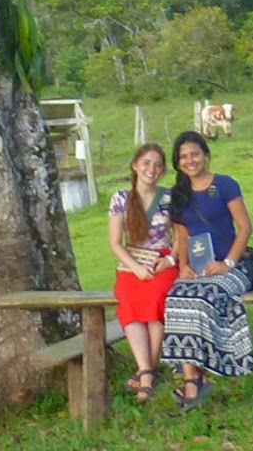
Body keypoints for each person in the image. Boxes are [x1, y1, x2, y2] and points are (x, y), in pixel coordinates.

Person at [159, 129, 253, 410]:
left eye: (195, 154)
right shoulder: (178, 195)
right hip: (198, 269)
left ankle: (208, 370)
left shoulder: (225, 185)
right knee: (176, 297)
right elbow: (182, 237)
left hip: (231, 267)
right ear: (178, 162)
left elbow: (245, 228)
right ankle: (193, 378)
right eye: (184, 157)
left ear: (206, 155)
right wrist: (183, 267)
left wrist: (228, 264)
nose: (190, 160)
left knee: (203, 298)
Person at [108, 141, 180, 403]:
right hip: (133, 262)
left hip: (162, 261)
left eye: (158, 165)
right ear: (135, 165)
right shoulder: (121, 199)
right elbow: (116, 243)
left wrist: (170, 260)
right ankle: (147, 369)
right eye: (146, 163)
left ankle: (146, 373)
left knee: (158, 297)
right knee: (129, 302)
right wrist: (136, 268)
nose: (152, 169)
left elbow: (180, 236)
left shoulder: (170, 198)